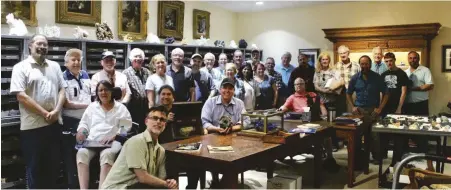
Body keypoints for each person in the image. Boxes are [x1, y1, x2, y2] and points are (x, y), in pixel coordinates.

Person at [10, 34, 67, 189]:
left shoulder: (54, 66)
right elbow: (21, 96)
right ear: (30, 45)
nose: (42, 47)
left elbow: (62, 89)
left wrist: (56, 111)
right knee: (34, 169)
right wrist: (44, 113)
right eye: (39, 44)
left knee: (53, 167)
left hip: (54, 126)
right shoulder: (20, 67)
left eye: (45, 45)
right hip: (33, 128)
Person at [102, 105, 178, 189]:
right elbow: (143, 177)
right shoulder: (136, 141)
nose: (158, 122)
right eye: (155, 118)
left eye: (162, 120)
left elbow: (160, 180)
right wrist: (166, 184)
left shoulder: (161, 150)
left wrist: (170, 183)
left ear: (165, 125)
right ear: (146, 121)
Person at [75, 80, 132, 189]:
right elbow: (85, 124)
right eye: (100, 90)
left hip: (113, 142)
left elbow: (126, 128)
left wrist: (115, 136)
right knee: (81, 153)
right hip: (93, 141)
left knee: (107, 155)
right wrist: (82, 131)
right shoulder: (92, 107)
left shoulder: (121, 108)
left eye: (106, 89)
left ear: (112, 91)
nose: (103, 93)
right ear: (97, 93)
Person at [346, 55, 389, 170]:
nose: (364, 66)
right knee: (358, 136)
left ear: (370, 64)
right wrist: (353, 106)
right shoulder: (355, 78)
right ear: (360, 65)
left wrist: (380, 108)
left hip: (373, 110)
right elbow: (348, 93)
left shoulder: (377, 77)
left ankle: (376, 158)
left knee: (375, 136)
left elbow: (386, 94)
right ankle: (360, 158)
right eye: (362, 64)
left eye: (366, 64)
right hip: (359, 111)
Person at [62, 48, 91, 188]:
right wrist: (89, 105)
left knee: (85, 154)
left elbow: (90, 94)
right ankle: (72, 185)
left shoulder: (85, 75)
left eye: (79, 60)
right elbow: (66, 103)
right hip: (70, 123)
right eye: (73, 60)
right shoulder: (62, 77)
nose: (76, 62)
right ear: (66, 62)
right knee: (71, 157)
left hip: (86, 122)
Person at [401, 51, 435, 171]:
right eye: (410, 58)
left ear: (418, 59)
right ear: (408, 59)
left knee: (422, 132)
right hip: (407, 106)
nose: (412, 60)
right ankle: (406, 162)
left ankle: (427, 161)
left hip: (421, 105)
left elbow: (430, 85)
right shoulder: (405, 72)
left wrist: (413, 88)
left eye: (415, 58)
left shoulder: (425, 70)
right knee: (407, 132)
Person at [379, 52, 409, 165]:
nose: (388, 63)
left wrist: (399, 108)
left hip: (397, 106)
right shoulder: (383, 74)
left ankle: (396, 159)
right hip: (385, 107)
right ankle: (383, 155)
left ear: (394, 60)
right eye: (386, 61)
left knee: (398, 133)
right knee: (384, 132)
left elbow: (404, 92)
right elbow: (381, 92)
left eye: (390, 61)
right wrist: (380, 106)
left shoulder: (402, 74)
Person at [123, 48, 152, 132]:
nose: (138, 59)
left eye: (140, 57)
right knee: (133, 131)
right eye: (136, 56)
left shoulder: (147, 72)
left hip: (146, 109)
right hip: (132, 109)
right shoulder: (125, 73)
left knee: (145, 131)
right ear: (131, 59)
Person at [335, 45, 361, 113]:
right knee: (342, 114)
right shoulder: (336, 66)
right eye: (340, 53)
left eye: (344, 53)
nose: (343, 55)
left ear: (348, 53)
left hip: (353, 94)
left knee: (353, 113)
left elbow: (361, 81)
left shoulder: (357, 66)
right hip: (340, 94)